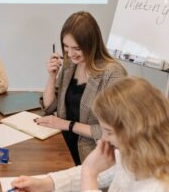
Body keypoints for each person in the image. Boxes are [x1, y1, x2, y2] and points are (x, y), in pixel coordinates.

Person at [11, 77, 169, 191]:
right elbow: (99, 173)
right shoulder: (130, 153)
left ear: (136, 131)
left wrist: (89, 174)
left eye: (108, 132)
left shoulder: (159, 186)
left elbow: (92, 173)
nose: (104, 138)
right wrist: (45, 183)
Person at [37, 11, 126, 164]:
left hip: (92, 153)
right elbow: (49, 106)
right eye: (66, 46)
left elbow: (115, 130)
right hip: (62, 144)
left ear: (91, 44)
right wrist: (52, 76)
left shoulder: (113, 73)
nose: (70, 53)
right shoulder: (70, 65)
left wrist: (67, 125)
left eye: (76, 48)